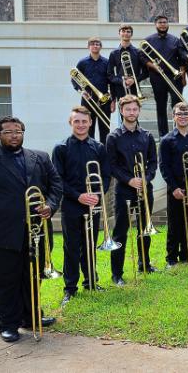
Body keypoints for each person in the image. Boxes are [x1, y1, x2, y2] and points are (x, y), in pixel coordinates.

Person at [0, 116, 63, 342]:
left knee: (33, 276)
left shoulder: (40, 157)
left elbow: (56, 185)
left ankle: (30, 316)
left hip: (36, 231)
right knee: (3, 280)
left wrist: (51, 205)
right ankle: (7, 323)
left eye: (18, 131)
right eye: (8, 132)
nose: (14, 135)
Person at [52, 106, 111, 306]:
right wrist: (78, 196)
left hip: (92, 204)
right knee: (71, 247)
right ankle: (70, 289)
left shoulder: (99, 147)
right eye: (76, 121)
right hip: (71, 205)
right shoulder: (61, 148)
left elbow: (105, 176)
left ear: (90, 122)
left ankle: (91, 282)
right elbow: (57, 180)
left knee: (90, 245)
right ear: (71, 123)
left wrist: (96, 196)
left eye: (84, 121)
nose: (81, 125)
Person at [106, 94, 158, 284]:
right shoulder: (113, 137)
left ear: (138, 111)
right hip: (124, 190)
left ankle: (144, 263)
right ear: (121, 111)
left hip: (145, 188)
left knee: (145, 228)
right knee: (120, 231)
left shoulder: (147, 136)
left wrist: (146, 178)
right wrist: (129, 180)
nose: (132, 112)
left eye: (135, 109)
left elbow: (153, 162)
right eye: (128, 109)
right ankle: (117, 274)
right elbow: (111, 165)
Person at [159, 102, 188, 268]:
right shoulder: (166, 140)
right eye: (180, 114)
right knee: (174, 223)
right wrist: (174, 187)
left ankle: (186, 256)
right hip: (176, 187)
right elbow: (164, 166)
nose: (183, 116)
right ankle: (171, 259)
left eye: (186, 114)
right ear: (174, 116)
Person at [140, 15, 188, 137]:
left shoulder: (175, 40)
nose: (163, 24)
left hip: (175, 77)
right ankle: (163, 134)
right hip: (157, 77)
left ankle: (178, 131)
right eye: (160, 22)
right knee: (160, 105)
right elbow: (142, 57)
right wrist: (152, 66)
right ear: (155, 24)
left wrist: (183, 77)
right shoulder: (148, 41)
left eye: (165, 22)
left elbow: (182, 59)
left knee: (177, 104)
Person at [73, 37, 112, 142]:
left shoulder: (106, 62)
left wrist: (112, 100)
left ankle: (104, 152)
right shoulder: (82, 62)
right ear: (88, 47)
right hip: (88, 98)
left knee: (105, 127)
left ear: (101, 47)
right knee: (88, 126)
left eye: (98, 44)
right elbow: (74, 79)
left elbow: (111, 81)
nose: (95, 46)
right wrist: (81, 91)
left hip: (104, 98)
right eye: (93, 44)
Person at [107, 23, 146, 106]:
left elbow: (146, 72)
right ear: (119, 33)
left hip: (135, 88)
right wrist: (122, 81)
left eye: (128, 32)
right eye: (123, 31)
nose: (126, 33)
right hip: (120, 88)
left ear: (131, 34)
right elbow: (110, 75)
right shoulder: (114, 53)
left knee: (134, 113)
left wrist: (134, 80)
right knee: (123, 114)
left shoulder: (138, 52)